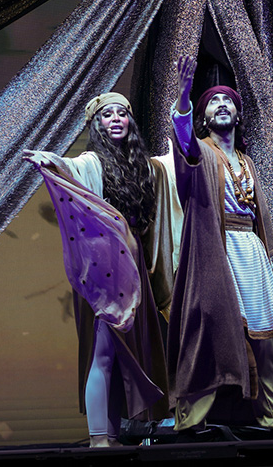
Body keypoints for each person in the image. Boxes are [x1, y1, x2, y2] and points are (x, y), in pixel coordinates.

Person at [22, 93, 181, 447]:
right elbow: (70, 167)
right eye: (107, 114)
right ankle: (98, 440)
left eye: (122, 113)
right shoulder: (93, 161)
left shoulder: (142, 166)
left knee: (124, 354)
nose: (116, 119)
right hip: (106, 263)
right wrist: (49, 160)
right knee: (105, 350)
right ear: (96, 124)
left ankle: (110, 435)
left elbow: (170, 169)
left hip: (134, 262)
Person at [165, 54, 273, 432]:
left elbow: (257, 216)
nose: (221, 105)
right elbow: (183, 141)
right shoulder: (201, 151)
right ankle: (191, 420)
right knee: (207, 335)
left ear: (238, 115)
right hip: (215, 251)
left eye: (228, 101)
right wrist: (184, 96)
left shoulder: (245, 160)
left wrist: (267, 259)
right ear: (204, 117)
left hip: (249, 251)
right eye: (213, 102)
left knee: (265, 335)